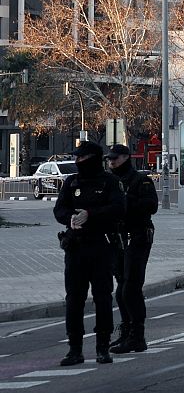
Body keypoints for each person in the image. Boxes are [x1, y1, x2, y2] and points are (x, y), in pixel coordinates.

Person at [53, 141, 125, 365]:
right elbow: (59, 209)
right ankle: (75, 348)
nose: (78, 162)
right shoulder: (71, 181)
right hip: (76, 247)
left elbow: (118, 209)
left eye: (82, 158)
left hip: (101, 246)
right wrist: (70, 219)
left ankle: (103, 347)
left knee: (103, 297)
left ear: (93, 157)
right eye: (77, 158)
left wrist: (90, 214)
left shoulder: (109, 182)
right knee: (74, 298)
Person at [106, 143, 158, 353]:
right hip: (116, 239)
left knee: (131, 288)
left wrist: (125, 202)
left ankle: (138, 336)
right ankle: (127, 331)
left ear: (126, 158)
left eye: (115, 158)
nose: (112, 162)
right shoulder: (109, 181)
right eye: (110, 159)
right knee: (121, 288)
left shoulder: (140, 180)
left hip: (137, 236)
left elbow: (150, 206)